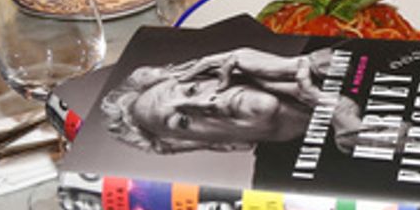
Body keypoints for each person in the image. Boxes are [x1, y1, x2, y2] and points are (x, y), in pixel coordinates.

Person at [100, 46, 361, 154]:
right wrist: (334, 109)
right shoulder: (285, 189)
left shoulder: (316, 57)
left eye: (192, 90)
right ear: (222, 146)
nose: (207, 103)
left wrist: (295, 65)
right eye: (182, 120)